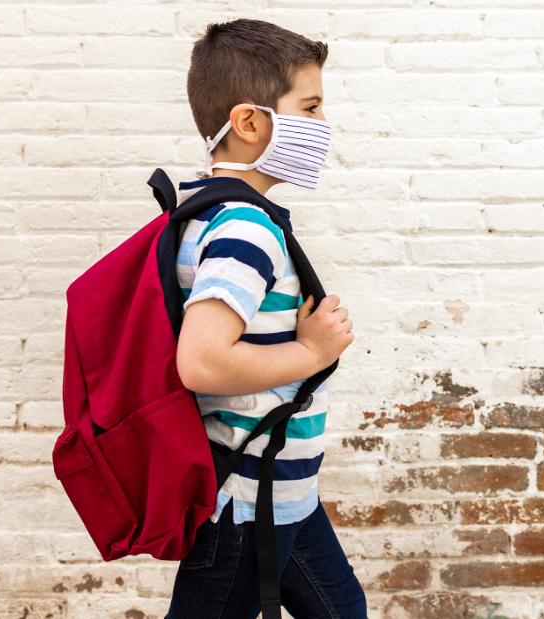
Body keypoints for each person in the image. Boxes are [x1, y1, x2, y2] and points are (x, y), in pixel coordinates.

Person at [165, 18, 367, 619]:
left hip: (283, 490)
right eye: (310, 107)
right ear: (251, 122)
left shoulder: (221, 213)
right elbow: (201, 361)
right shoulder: (244, 230)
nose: (322, 126)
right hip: (244, 501)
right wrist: (312, 352)